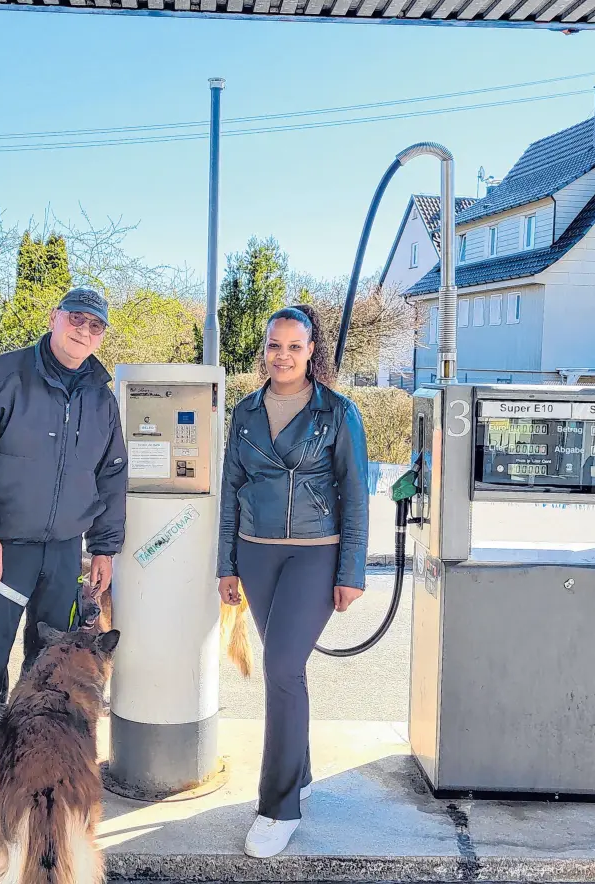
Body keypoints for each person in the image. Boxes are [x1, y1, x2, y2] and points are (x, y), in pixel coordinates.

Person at [0, 286, 128, 837]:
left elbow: (111, 475)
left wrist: (104, 546)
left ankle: (32, 783)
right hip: (2, 550)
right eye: (76, 320)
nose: (84, 332)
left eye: (95, 326)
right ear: (54, 319)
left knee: (51, 673)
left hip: (65, 552)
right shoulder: (3, 377)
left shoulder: (101, 398)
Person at [216, 304, 369, 859]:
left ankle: (278, 807)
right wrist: (226, 564)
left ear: (311, 351)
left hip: (315, 554)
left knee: (281, 668)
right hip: (256, 554)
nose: (282, 356)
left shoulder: (338, 411)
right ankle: (298, 772)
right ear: (264, 349)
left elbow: (355, 493)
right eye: (274, 345)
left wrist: (351, 571)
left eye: (294, 346)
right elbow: (230, 490)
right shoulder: (245, 412)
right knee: (288, 672)